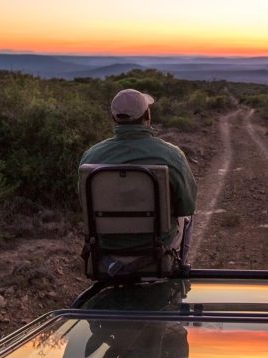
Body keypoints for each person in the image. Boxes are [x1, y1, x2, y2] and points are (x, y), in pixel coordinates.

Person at [80, 89, 198, 256]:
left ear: (114, 118)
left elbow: (84, 205)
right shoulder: (171, 155)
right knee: (189, 218)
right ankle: (180, 266)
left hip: (106, 248)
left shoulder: (91, 156)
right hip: (156, 248)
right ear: (147, 116)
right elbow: (187, 206)